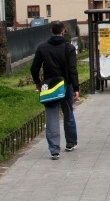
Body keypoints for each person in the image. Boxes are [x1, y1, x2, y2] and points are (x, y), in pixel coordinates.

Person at [31, 21, 79, 160]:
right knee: (68, 113)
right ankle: (70, 143)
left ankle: (54, 150)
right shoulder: (68, 47)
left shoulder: (42, 48)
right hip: (66, 84)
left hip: (50, 85)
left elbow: (34, 68)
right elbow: (72, 69)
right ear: (63, 31)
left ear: (51, 30)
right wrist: (76, 87)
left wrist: (38, 82)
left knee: (51, 116)